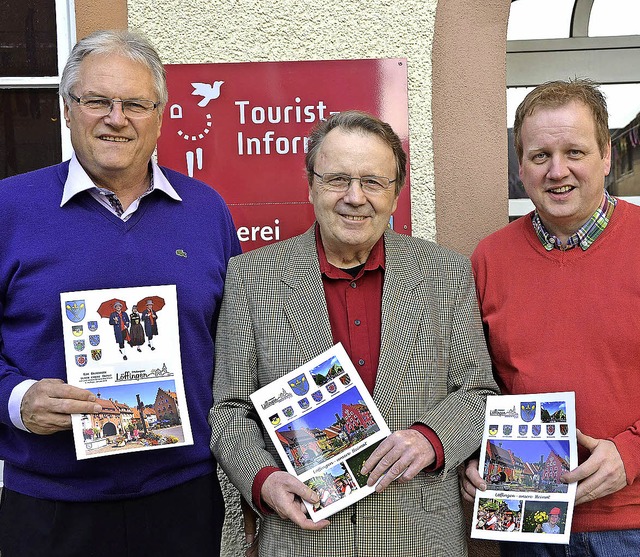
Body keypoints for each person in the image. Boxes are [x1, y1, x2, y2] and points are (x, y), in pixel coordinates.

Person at [210, 110, 498, 556]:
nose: (354, 197)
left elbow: (480, 392)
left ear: (397, 193)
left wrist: (431, 438)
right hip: (303, 538)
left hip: (419, 536)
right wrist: (263, 482)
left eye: (373, 182)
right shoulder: (251, 277)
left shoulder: (446, 273)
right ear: (310, 186)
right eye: (337, 179)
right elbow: (229, 411)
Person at [0, 30, 241, 557]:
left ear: (159, 115)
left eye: (135, 103)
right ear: (68, 110)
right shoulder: (8, 209)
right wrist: (16, 400)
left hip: (182, 497)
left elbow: (238, 350)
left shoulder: (206, 212)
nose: (116, 118)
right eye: (97, 101)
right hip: (50, 504)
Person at [462, 79, 640, 556]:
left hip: (631, 522)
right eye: (540, 155)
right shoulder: (489, 259)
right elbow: (475, 384)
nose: (557, 170)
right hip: (525, 523)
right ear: (520, 166)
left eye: (575, 152)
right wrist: (471, 457)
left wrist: (632, 451)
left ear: (607, 156)